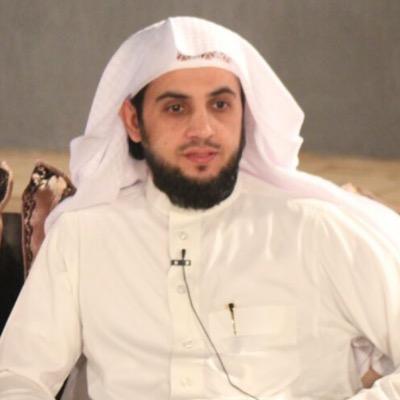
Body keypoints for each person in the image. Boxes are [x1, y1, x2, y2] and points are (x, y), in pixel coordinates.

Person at [0, 16, 399, 400]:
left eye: (220, 105)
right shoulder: (85, 236)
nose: (203, 129)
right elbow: (16, 377)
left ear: (245, 114)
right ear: (133, 121)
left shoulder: (316, 231)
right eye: (176, 108)